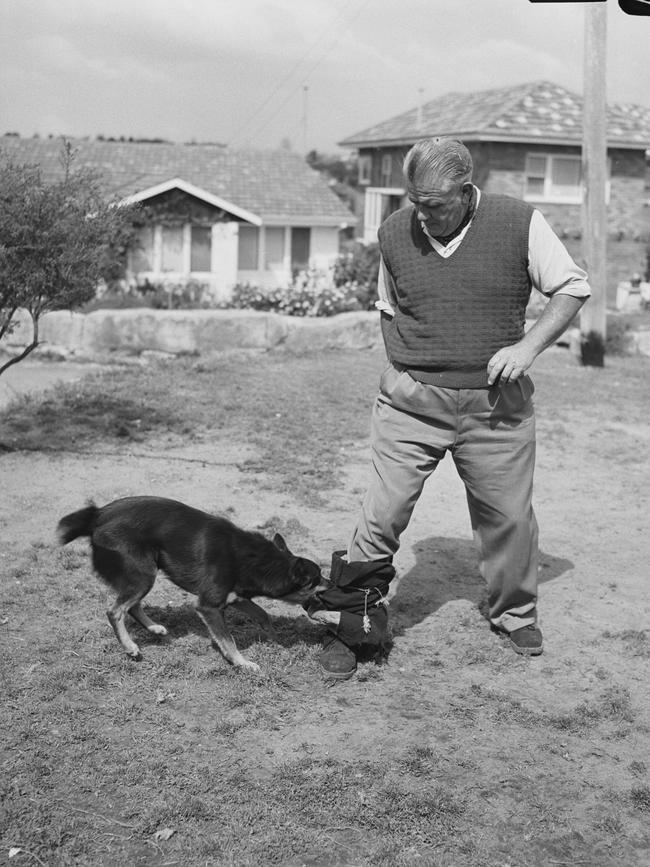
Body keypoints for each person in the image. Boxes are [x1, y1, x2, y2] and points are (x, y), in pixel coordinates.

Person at [312, 137, 591, 680]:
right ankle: (356, 623)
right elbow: (388, 306)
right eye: (414, 200)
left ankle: (514, 613)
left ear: (466, 192)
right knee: (382, 512)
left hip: (496, 406)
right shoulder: (395, 230)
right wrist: (409, 372)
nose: (422, 213)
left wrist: (526, 348)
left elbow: (572, 287)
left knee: (507, 517)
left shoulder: (519, 222)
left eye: (435, 203)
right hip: (412, 402)